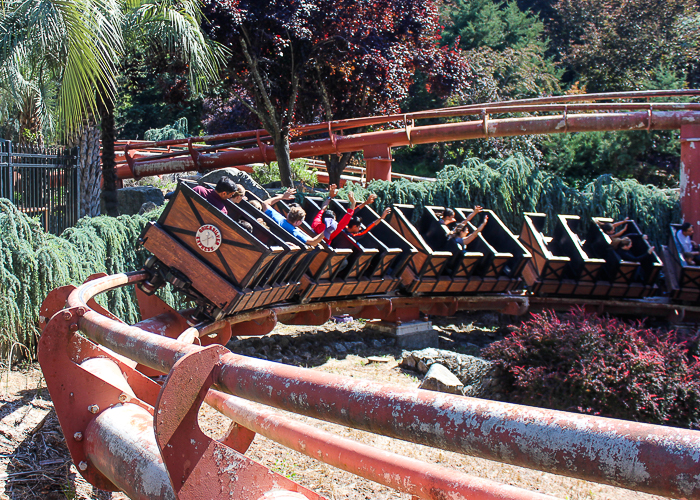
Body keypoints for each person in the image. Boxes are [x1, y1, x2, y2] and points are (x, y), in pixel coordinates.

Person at [311, 184, 377, 243]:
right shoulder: (332, 231)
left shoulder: (316, 223)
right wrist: (353, 202)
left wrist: (330, 197)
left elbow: (323, 209)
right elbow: (348, 216)